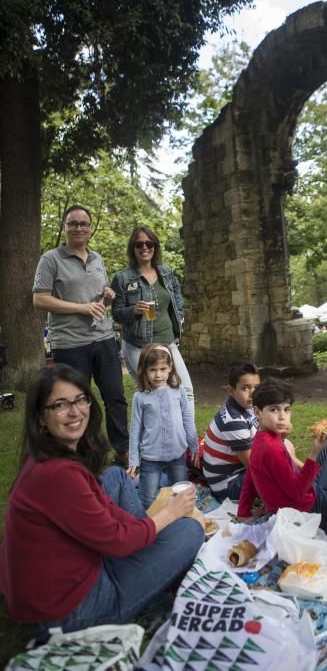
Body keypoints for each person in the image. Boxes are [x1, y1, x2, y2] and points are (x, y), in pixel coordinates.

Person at [0, 364, 204, 634]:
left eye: (80, 399)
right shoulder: (58, 475)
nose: (74, 412)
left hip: (66, 576)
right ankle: (154, 575)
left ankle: (149, 550)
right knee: (190, 530)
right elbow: (118, 542)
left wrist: (144, 530)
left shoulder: (49, 457)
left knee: (116, 477)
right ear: (40, 416)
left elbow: (107, 514)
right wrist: (169, 513)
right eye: (60, 405)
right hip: (73, 610)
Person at [33, 204, 129, 464]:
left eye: (83, 224)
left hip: (105, 340)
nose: (78, 228)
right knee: (75, 403)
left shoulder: (97, 259)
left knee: (115, 398)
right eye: (73, 223)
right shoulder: (50, 259)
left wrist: (107, 296)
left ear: (90, 228)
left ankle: (123, 451)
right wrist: (81, 308)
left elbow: (97, 300)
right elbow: (40, 299)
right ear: (64, 227)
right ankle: (82, 455)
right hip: (70, 344)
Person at [237, 377, 327, 528]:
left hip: (307, 493)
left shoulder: (261, 439)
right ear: (257, 412)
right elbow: (296, 492)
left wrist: (243, 512)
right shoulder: (271, 449)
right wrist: (314, 453)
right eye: (274, 409)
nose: (282, 417)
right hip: (308, 512)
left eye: (286, 409)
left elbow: (251, 476)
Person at [111, 226, 194, 415]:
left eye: (149, 244)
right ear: (133, 248)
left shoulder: (166, 272)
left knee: (186, 391)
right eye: (139, 244)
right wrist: (133, 310)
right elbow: (116, 313)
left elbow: (177, 302)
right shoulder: (122, 278)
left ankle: (188, 439)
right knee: (153, 396)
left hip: (167, 343)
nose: (145, 248)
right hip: (138, 346)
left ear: (155, 247)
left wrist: (177, 324)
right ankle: (158, 439)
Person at [128, 344, 199, 509]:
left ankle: (179, 524)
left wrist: (193, 445)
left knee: (181, 494)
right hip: (151, 458)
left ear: (170, 368)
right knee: (147, 499)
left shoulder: (178, 390)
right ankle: (148, 528)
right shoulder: (140, 397)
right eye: (152, 369)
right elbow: (135, 429)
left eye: (162, 368)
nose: (158, 374)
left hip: (177, 455)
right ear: (144, 370)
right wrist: (133, 459)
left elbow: (187, 418)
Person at [202, 362, 261, 501]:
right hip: (228, 485)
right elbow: (254, 467)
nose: (252, 394)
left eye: (257, 388)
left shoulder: (248, 407)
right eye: (245, 388)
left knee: (283, 448)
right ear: (231, 390)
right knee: (276, 474)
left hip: (239, 470)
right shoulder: (234, 421)